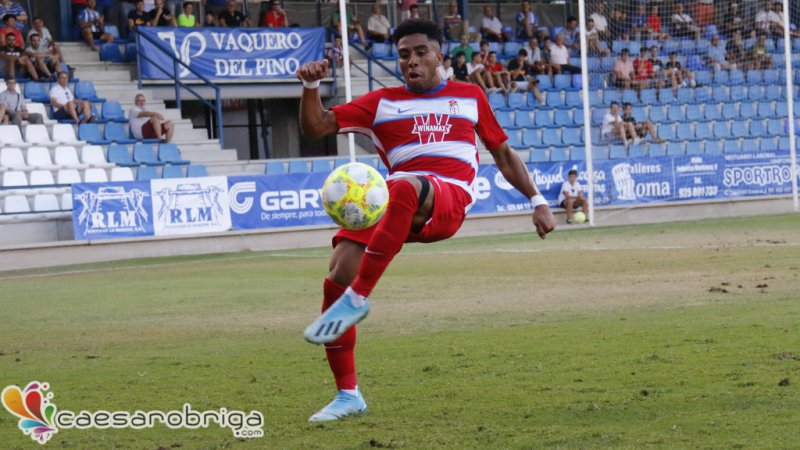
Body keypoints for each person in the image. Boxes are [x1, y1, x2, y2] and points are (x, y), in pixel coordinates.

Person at [295, 18, 556, 422]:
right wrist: (311, 86)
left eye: (420, 52)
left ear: (439, 55)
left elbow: (503, 153)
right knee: (339, 272)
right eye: (404, 55)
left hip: (447, 198)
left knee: (403, 187)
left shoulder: (469, 96)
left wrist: (537, 200)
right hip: (395, 201)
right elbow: (316, 126)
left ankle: (358, 299)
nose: (411, 61)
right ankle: (348, 395)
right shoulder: (382, 103)